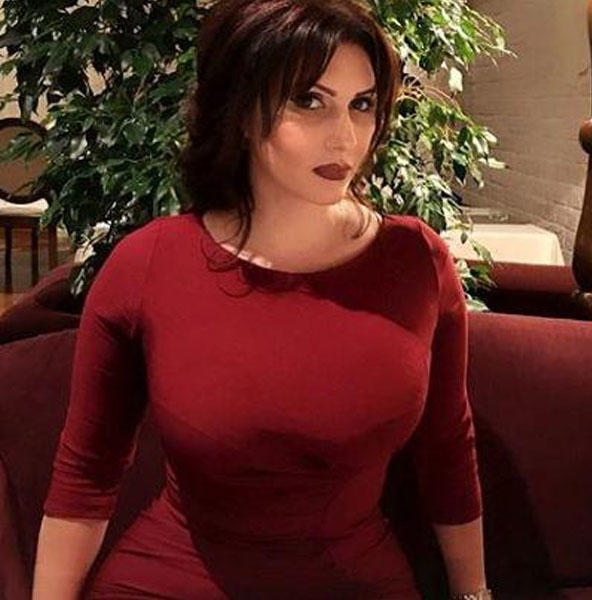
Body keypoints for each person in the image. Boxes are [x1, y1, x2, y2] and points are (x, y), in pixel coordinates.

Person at [31, 0, 491, 598]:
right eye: (309, 101)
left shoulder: (416, 261)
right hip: (172, 581)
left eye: (362, 104)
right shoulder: (149, 264)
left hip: (355, 582)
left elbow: (447, 449)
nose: (345, 136)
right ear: (242, 111)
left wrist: (474, 594)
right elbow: (85, 480)